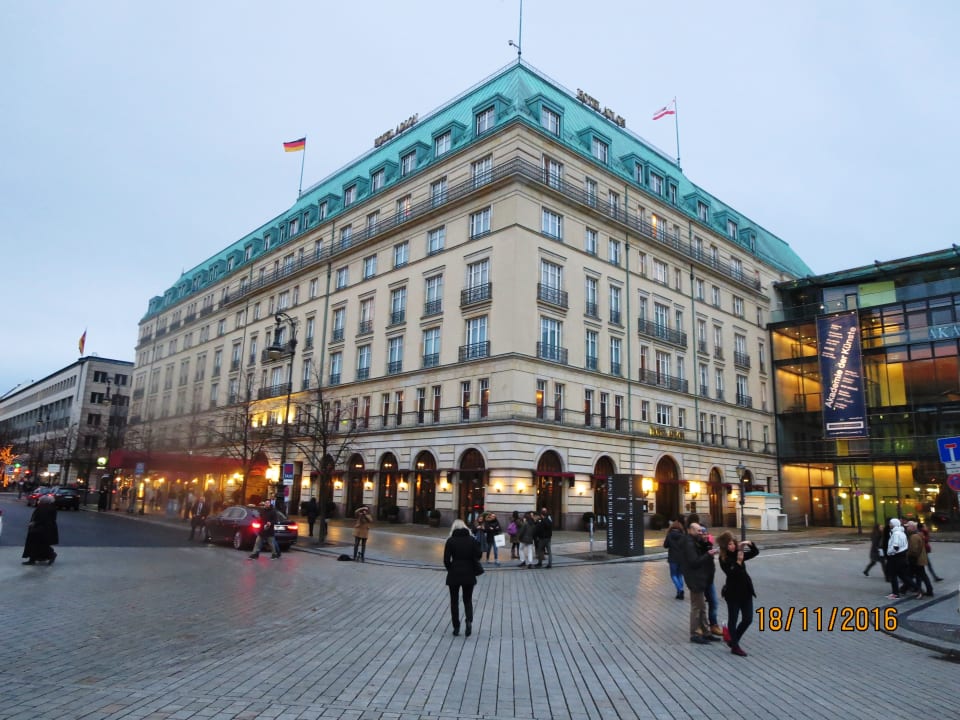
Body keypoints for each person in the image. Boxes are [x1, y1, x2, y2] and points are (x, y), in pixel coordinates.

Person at [717, 531, 759, 657]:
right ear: (725, 546)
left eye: (733, 543)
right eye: (730, 544)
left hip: (746, 591)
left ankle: (733, 640)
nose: (733, 546)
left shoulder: (738, 553)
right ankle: (735, 646)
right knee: (733, 619)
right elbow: (731, 572)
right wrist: (739, 562)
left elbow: (754, 553)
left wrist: (750, 544)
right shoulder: (723, 558)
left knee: (748, 619)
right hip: (733, 592)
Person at [679, 522, 719, 644]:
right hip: (695, 579)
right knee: (697, 607)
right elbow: (694, 562)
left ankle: (706, 632)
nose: (701, 533)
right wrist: (708, 554)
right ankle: (695, 634)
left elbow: (703, 551)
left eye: (702, 531)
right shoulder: (688, 543)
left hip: (701, 578)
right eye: (698, 531)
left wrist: (706, 543)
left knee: (702, 607)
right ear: (690, 530)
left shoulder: (695, 541)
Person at [444, 519, 483, 636]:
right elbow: (479, 554)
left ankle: (456, 627)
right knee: (467, 600)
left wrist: (451, 568)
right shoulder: (471, 540)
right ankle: (469, 621)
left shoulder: (450, 541)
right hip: (469, 573)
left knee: (454, 602)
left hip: (454, 573)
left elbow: (446, 560)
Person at [22, 494, 59, 565]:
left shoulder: (42, 508)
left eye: (40, 500)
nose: (39, 501)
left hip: (39, 528)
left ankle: (36, 558)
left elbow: (41, 518)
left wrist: (33, 523)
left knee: (35, 543)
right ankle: (44, 556)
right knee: (41, 544)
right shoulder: (52, 507)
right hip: (48, 529)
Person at [885, 518, 916, 599]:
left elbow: (895, 546)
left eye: (890, 523)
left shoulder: (896, 534)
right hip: (902, 556)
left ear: (894, 524)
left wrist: (889, 552)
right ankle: (918, 589)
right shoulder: (902, 533)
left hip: (895, 557)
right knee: (903, 576)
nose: (889, 525)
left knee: (893, 576)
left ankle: (895, 593)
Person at [905, 521, 933, 597]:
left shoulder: (914, 536)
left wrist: (909, 555)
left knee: (909, 575)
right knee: (922, 575)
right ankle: (929, 590)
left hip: (916, 560)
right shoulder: (918, 535)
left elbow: (914, 550)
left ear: (912, 527)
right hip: (920, 559)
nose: (906, 528)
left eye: (908, 526)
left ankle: (918, 590)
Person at [663, 521, 686, 599]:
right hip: (682, 558)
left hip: (673, 558)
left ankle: (680, 589)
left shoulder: (669, 535)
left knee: (673, 575)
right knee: (679, 575)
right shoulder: (683, 535)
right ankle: (679, 592)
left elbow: (665, 545)